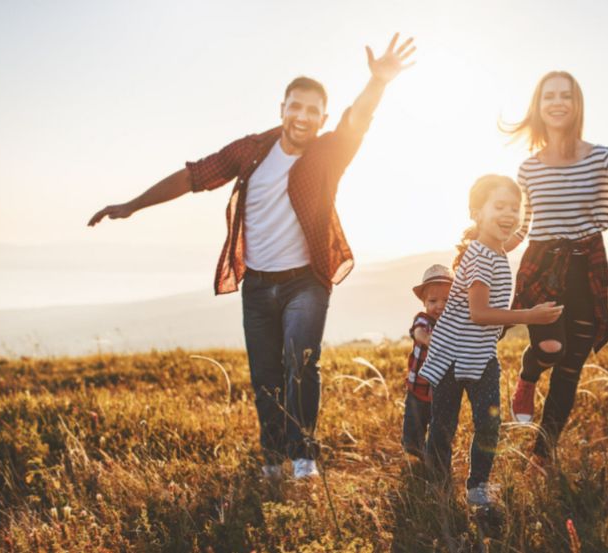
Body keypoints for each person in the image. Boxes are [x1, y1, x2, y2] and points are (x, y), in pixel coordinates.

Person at [87, 34, 417, 481]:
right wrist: (131, 205)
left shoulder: (328, 154)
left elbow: (357, 119)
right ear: (282, 108)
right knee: (264, 377)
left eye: (312, 110)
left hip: (306, 282)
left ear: (322, 118)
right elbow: (193, 177)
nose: (302, 117)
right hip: (258, 286)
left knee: (300, 361)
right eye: (294, 107)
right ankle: (273, 459)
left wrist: (377, 82)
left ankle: (303, 456)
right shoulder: (252, 151)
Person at [503, 71, 608, 467]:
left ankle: (543, 453)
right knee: (550, 348)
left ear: (577, 105)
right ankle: (528, 376)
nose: (557, 103)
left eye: (565, 96)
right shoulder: (528, 169)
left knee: (571, 367)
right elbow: (524, 226)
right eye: (549, 97)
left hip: (587, 267)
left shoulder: (601, 157)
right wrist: (486, 248)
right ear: (538, 107)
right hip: (543, 266)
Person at [419, 175, 563, 506]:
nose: (509, 214)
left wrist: (531, 195)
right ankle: (440, 487)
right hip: (455, 356)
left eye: (515, 208)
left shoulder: (496, 247)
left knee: (487, 422)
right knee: (446, 424)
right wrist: (529, 316)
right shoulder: (482, 256)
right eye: (499, 206)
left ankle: (476, 487)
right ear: (477, 213)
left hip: (479, 354)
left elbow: (517, 231)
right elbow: (479, 313)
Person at [401, 264, 453, 459]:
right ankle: (416, 459)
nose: (440, 305)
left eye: (446, 300)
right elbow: (418, 332)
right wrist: (432, 340)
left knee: (441, 432)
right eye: (433, 300)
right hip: (417, 389)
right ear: (424, 302)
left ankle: (434, 460)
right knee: (412, 434)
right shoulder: (423, 320)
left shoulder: (454, 326)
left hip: (442, 392)